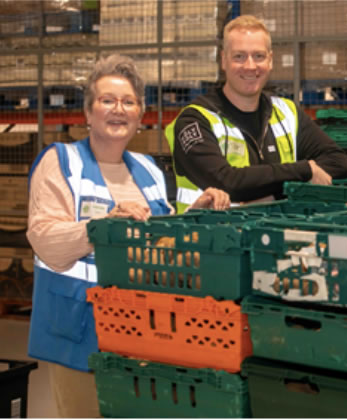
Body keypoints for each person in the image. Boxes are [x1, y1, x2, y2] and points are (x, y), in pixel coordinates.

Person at [26, 54, 230, 418]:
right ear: (88, 113)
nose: (118, 109)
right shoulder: (60, 161)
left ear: (140, 115)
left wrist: (198, 212)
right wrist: (104, 226)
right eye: (107, 100)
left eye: (128, 102)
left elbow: (161, 238)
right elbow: (45, 239)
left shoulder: (148, 169)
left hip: (138, 328)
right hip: (79, 328)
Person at [165, 15, 347, 212]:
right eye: (239, 56)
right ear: (223, 60)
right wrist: (304, 170)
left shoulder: (286, 112)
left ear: (270, 60)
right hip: (210, 236)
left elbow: (338, 163)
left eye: (258, 56)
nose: (250, 66)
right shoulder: (195, 120)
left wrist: (270, 195)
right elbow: (226, 181)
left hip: (277, 232)